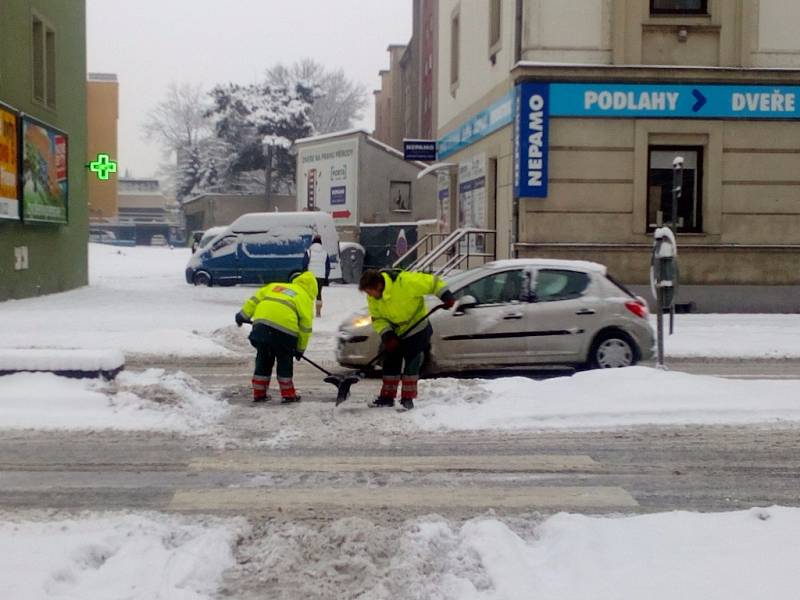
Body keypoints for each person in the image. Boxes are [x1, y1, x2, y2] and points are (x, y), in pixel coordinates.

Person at [358, 269, 456, 410]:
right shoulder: (373, 297)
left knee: (412, 362)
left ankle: (407, 399)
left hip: (416, 327)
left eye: (369, 292)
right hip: (395, 330)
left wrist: (446, 296)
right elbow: (377, 318)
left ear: (378, 285)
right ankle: (387, 397)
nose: (369, 296)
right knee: (390, 362)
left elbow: (433, 282)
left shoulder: (406, 282)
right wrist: (387, 335)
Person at [235, 271, 318, 404]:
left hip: (261, 327)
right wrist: (300, 349)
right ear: (312, 289)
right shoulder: (304, 298)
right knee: (285, 361)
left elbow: (254, 300)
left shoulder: (274, 286)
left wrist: (243, 315)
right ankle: (288, 395)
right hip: (285, 333)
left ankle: (259, 394)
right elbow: (305, 328)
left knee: (263, 359)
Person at [302, 234, 331, 317]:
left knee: (309, 294)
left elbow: (304, 263)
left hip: (310, 276)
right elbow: (327, 266)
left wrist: (304, 273)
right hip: (321, 277)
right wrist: (326, 276)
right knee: (318, 294)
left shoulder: (309, 251)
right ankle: (318, 312)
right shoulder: (325, 253)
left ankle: (308, 310)